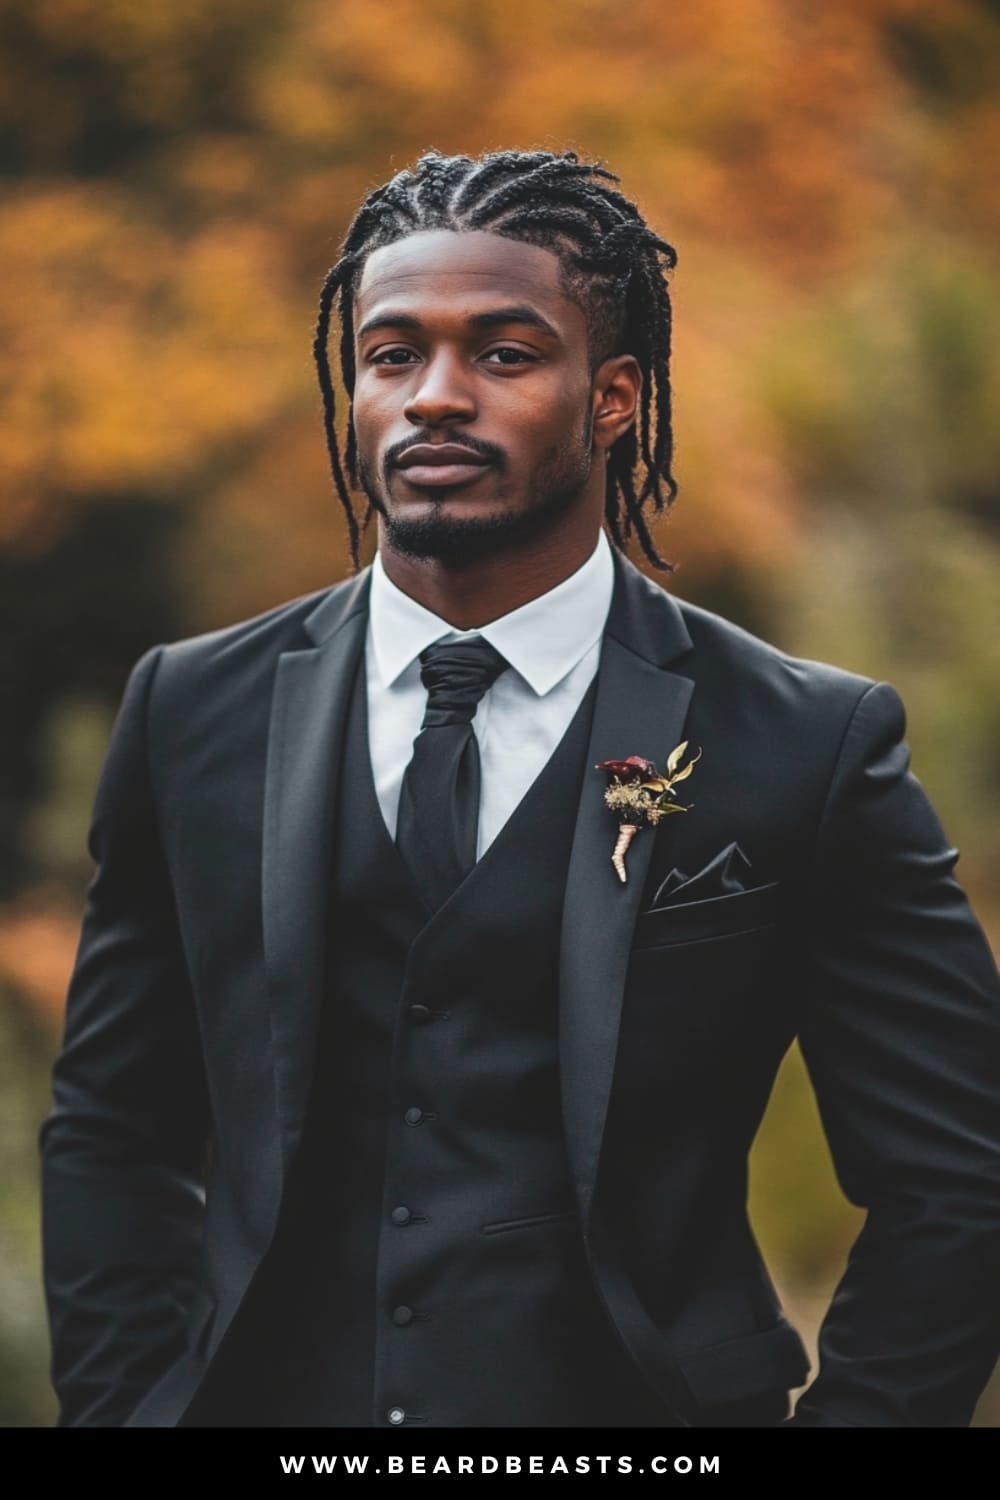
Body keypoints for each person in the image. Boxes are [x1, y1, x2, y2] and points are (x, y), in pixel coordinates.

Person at [40, 148, 1000, 1430]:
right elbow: (114, 1126)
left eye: (502, 354)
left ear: (611, 397)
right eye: (391, 356)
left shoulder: (804, 742)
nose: (435, 398)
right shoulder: (192, 708)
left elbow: (958, 1177)